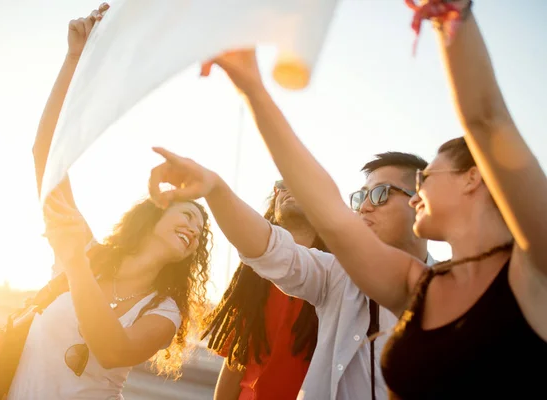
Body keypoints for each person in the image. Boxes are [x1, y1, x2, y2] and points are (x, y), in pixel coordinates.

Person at [190, 0, 547, 398]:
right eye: (362, 195)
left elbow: (487, 119)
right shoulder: (420, 287)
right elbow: (329, 214)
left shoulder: (536, 268)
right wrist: (252, 89)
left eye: (426, 177)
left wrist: (452, 15)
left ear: (473, 177)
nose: (418, 195)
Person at [7, 4, 213, 399]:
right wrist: (73, 60)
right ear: (154, 212)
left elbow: (112, 350)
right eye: (188, 214)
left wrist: (75, 263)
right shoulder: (86, 248)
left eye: (201, 233)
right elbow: (45, 154)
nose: (194, 230)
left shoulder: (164, 311)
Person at [147, 147, 433, 400]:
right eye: (361, 197)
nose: (366, 206)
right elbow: (267, 248)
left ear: (421, 201)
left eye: (381, 194)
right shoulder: (334, 275)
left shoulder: (455, 296)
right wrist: (215, 188)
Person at [203, 180, 326, 400]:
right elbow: (236, 361)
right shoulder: (252, 281)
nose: (290, 188)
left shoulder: (341, 277)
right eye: (283, 185)